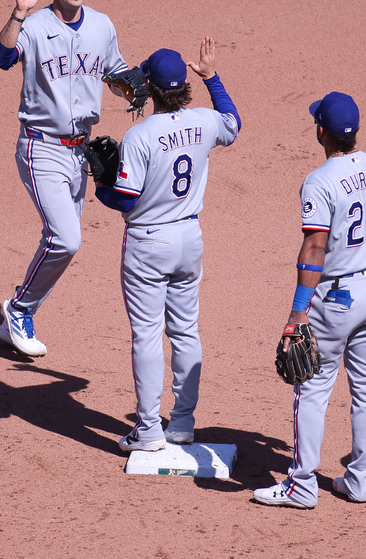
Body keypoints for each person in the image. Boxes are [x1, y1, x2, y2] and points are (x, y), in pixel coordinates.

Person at [254, 93, 366, 508]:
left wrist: (297, 312)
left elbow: (314, 248)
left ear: (321, 131)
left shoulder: (320, 180)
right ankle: (359, 483)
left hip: (336, 297)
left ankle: (301, 485)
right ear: (355, 131)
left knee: (312, 387)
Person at [93, 38, 241, 452]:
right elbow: (233, 120)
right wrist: (212, 77)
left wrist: (101, 185)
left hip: (148, 242)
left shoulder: (140, 135)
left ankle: (148, 430)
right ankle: (181, 423)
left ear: (152, 90)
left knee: (146, 334)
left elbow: (125, 198)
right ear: (184, 88)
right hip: (189, 239)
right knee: (185, 330)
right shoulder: (206, 122)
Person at [0, 0, 129, 357]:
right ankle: (19, 309)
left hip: (81, 152)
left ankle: (17, 315)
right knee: (66, 239)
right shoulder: (33, 27)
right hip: (41, 147)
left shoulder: (102, 26)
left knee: (61, 239)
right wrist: (18, 13)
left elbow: (116, 73)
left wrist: (132, 86)